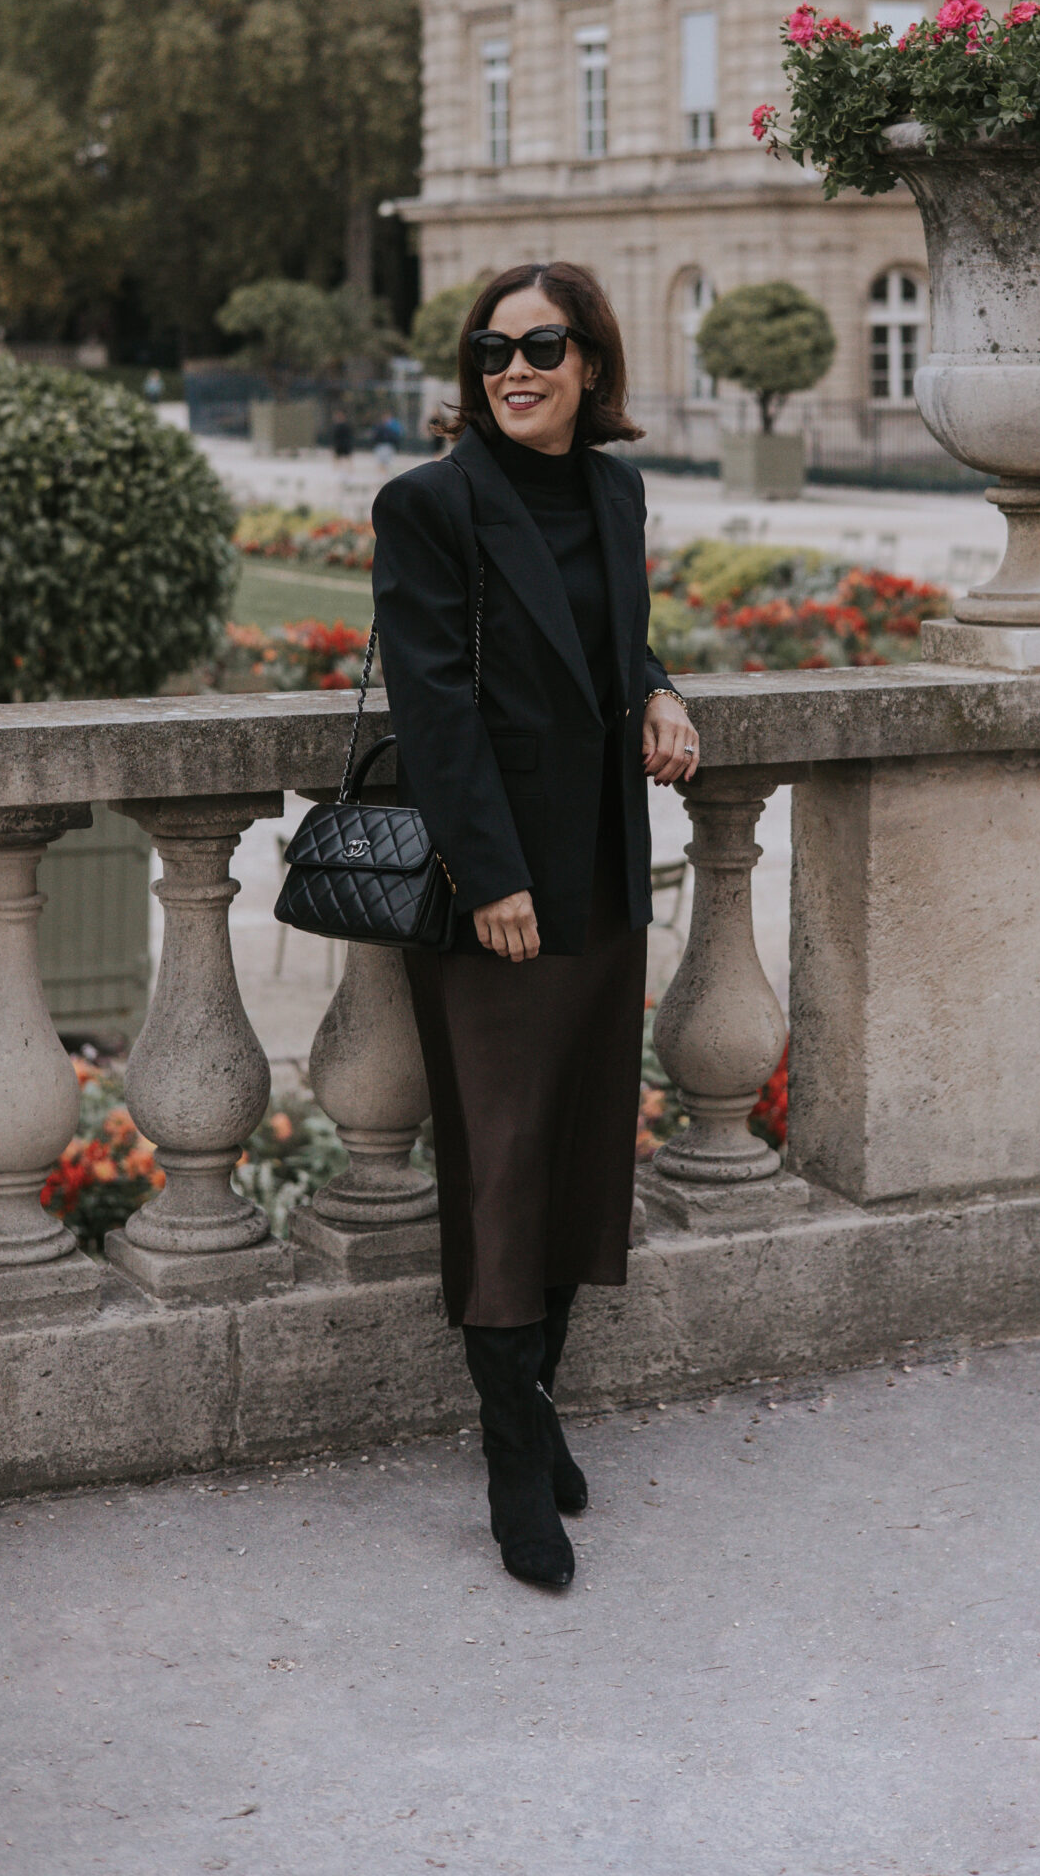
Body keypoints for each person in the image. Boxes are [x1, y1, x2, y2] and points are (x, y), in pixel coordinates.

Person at [371, 261, 698, 1592]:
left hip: (605, 874)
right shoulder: (429, 504)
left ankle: (540, 1401)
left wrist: (665, 689)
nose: (516, 368)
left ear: (590, 367)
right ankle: (514, 1452)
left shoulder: (615, 493)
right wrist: (490, 874)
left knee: (573, 1162)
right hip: (494, 896)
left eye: (544, 347)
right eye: (494, 349)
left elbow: (610, 642)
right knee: (502, 1171)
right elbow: (434, 705)